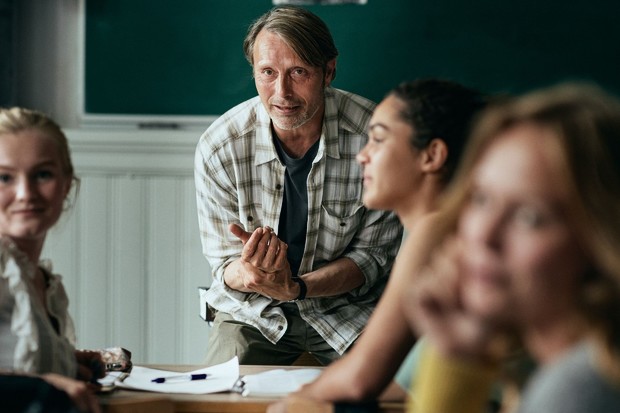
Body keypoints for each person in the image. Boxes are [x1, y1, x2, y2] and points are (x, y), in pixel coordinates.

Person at [194, 5, 402, 366]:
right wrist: (251, 273)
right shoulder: (220, 147)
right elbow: (223, 264)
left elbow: (371, 258)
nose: (282, 92)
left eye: (299, 72)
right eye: (267, 73)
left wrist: (297, 288)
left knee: (384, 392)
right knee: (220, 396)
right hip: (252, 312)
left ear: (329, 71)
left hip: (349, 310)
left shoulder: (376, 139)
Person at [266, 78, 487, 412]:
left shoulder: (435, 230)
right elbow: (404, 382)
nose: (363, 156)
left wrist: (301, 400)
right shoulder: (433, 229)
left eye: (379, 140)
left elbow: (360, 378)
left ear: (432, 155)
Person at [404, 83, 620, 413]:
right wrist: (458, 355)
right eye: (481, 199)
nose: (484, 236)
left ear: (601, 237)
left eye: (530, 217)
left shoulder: (578, 391)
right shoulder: (557, 371)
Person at [0, 107, 103, 412]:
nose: (25, 193)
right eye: (4, 177)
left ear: (67, 184)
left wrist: (62, 361)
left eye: (42, 174)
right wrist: (38, 387)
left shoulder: (41, 280)